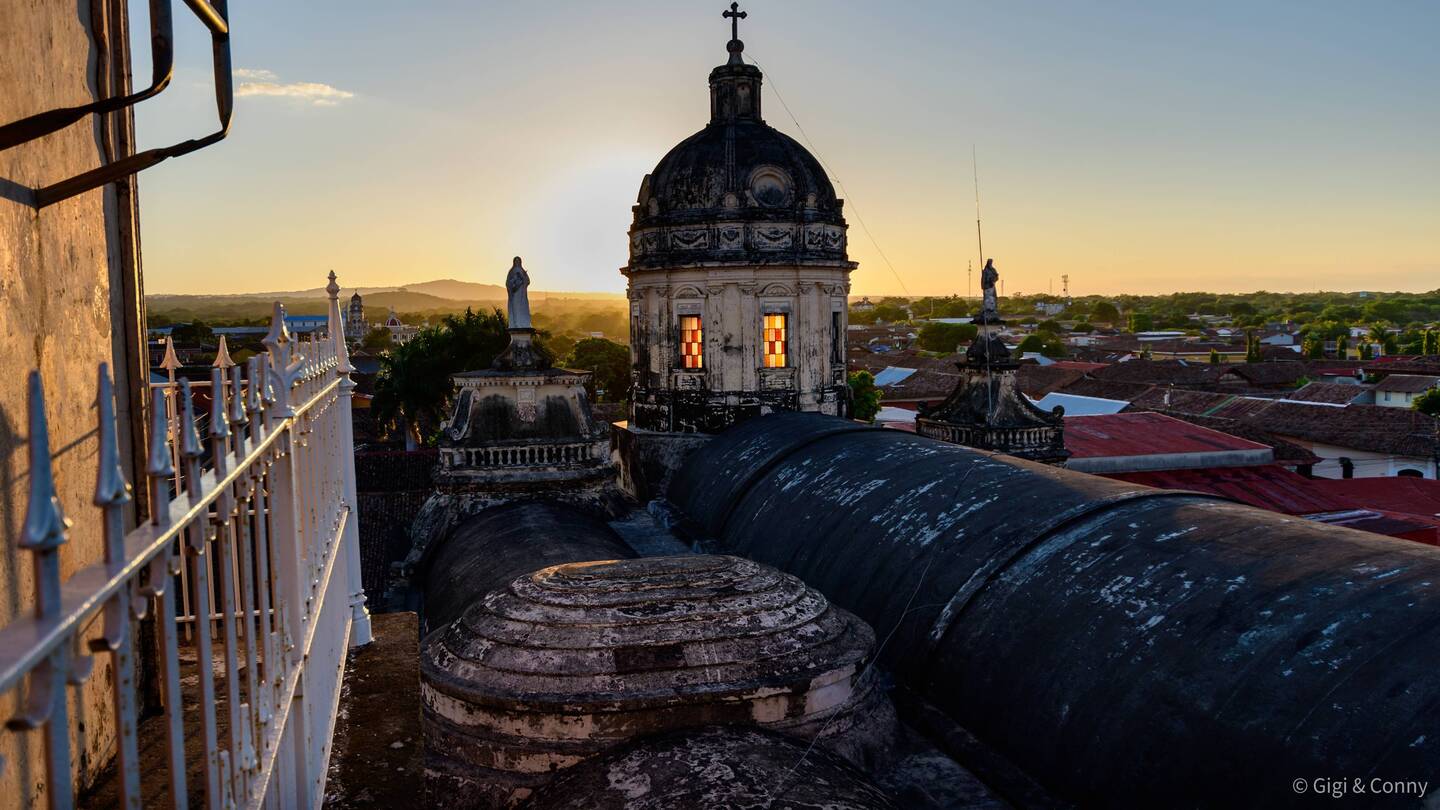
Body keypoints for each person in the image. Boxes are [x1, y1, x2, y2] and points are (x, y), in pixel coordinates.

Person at [506, 256, 532, 330]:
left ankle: (523, 323)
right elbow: (508, 283)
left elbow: (528, 281)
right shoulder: (511, 271)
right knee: (515, 307)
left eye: (518, 260)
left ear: (520, 262)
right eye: (516, 260)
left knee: (522, 308)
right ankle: (516, 323)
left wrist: (522, 278)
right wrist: (514, 282)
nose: (517, 262)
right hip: (515, 293)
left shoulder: (522, 270)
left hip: (522, 294)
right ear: (514, 262)